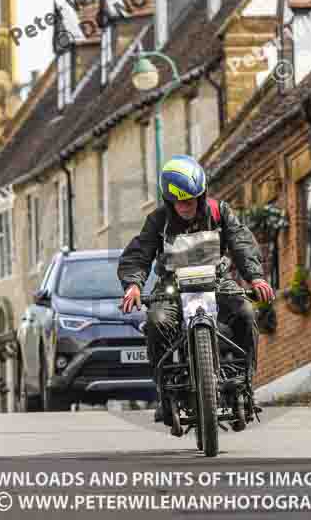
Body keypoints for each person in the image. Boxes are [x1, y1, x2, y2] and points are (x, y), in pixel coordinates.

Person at [118, 154, 275, 424]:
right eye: (180, 201)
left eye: (191, 199)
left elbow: (241, 243)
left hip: (217, 281)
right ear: (169, 201)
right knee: (156, 321)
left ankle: (246, 384)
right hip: (172, 287)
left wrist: (255, 278)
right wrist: (133, 284)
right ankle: (165, 391)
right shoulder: (157, 221)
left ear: (201, 195)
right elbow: (139, 253)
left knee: (246, 313)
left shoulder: (220, 212)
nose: (186, 206)